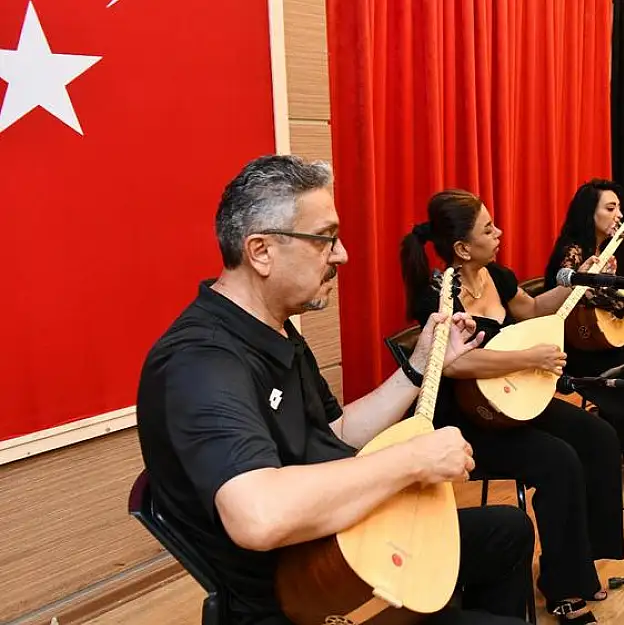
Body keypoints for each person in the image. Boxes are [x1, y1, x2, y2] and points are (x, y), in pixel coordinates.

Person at [136, 155, 535, 625]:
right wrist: (414, 460)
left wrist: (420, 366)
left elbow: (335, 431)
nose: (342, 254)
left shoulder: (275, 328)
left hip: (341, 542)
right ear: (261, 251)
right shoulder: (200, 362)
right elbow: (258, 515)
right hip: (308, 593)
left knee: (508, 531)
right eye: (325, 239)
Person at [400, 189, 624, 625]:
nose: (499, 232)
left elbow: (535, 309)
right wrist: (528, 359)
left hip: (516, 400)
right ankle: (562, 587)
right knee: (559, 461)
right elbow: (454, 363)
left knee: (599, 437)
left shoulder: (497, 276)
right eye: (488, 229)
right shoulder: (440, 294)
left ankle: (581, 563)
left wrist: (583, 278)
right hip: (469, 421)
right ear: (462, 247)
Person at [541, 179, 624, 459]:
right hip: (579, 345)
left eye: (619, 208)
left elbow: (618, 298)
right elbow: (576, 290)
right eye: (610, 208)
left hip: (604, 338)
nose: (618, 215)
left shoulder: (606, 250)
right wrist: (618, 306)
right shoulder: (574, 249)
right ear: (589, 213)